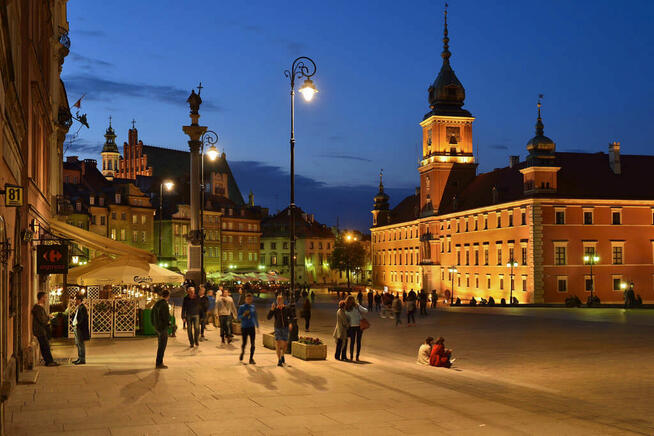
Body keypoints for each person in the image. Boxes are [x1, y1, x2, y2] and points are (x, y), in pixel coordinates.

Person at [32, 292, 58, 366]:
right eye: (45, 297)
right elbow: (42, 320)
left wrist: (47, 317)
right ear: (41, 298)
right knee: (45, 346)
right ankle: (49, 361)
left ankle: (49, 361)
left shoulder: (39, 308)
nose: (46, 299)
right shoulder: (38, 308)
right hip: (40, 330)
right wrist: (48, 317)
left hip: (41, 330)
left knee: (45, 346)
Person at [267, 294, 293, 367]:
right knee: (278, 343)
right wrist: (271, 310)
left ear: (283, 300)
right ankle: (279, 360)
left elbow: (291, 316)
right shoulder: (275, 309)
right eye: (277, 300)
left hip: (285, 328)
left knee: (285, 344)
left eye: (280, 300)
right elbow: (268, 317)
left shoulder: (287, 308)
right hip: (277, 328)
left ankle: (282, 355)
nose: (278, 301)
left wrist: (290, 323)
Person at [344, 295, 368, 361]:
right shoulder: (357, 306)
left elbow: (345, 316)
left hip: (351, 326)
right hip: (359, 326)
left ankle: (351, 356)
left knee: (352, 342)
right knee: (358, 341)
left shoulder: (346, 307)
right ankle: (357, 356)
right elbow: (366, 311)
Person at [151, 290, 171, 368]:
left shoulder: (157, 303)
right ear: (168, 296)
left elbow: (152, 314)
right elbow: (166, 317)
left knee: (160, 345)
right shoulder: (164, 304)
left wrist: (154, 325)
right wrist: (168, 323)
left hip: (157, 327)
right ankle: (159, 363)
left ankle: (159, 362)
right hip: (163, 328)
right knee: (162, 346)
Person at [237, 293, 259, 364]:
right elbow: (238, 317)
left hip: (251, 327)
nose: (249, 300)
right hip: (244, 327)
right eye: (247, 299)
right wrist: (243, 315)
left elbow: (255, 316)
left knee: (253, 344)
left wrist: (257, 326)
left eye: (250, 299)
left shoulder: (253, 307)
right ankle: (242, 352)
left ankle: (251, 358)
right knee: (244, 343)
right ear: (245, 300)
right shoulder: (242, 307)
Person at [72, 294, 90, 365]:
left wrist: (78, 324)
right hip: (77, 327)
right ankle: (79, 358)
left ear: (79, 300)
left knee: (80, 344)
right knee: (78, 343)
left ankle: (82, 359)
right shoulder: (79, 307)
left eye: (75, 299)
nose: (74, 301)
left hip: (79, 328)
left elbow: (83, 318)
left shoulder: (82, 308)